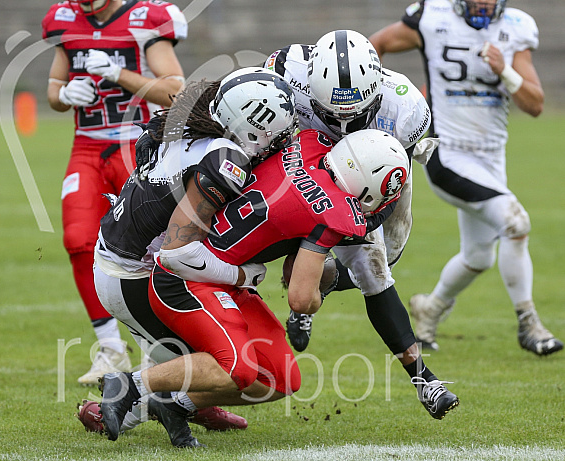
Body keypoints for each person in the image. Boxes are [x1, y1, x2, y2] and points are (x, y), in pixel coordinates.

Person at [89, 67, 298, 446]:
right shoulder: (226, 159)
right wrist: (242, 276)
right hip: (136, 274)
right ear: (253, 127)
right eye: (277, 134)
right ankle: (124, 398)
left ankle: (177, 406)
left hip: (128, 257)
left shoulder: (192, 125)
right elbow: (178, 253)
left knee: (267, 374)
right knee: (231, 367)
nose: (281, 143)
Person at [369, 0, 563, 356]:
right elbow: (373, 47)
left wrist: (505, 71)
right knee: (515, 223)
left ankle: (429, 309)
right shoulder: (431, 16)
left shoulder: (516, 26)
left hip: (491, 157)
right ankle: (529, 322)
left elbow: (535, 104)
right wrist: (386, 102)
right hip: (446, 152)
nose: (483, 3)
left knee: (479, 256)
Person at [264, 30, 438, 360]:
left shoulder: (405, 107)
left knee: (383, 258)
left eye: (354, 116)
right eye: (333, 115)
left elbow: (392, 187)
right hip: (307, 160)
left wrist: (362, 220)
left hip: (373, 170)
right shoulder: (286, 70)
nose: (344, 128)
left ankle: (323, 282)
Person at [41, 0, 188, 384]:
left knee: (150, 247)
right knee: (77, 239)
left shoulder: (144, 19)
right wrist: (64, 95)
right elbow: (53, 90)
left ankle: (153, 348)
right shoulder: (64, 19)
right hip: (86, 147)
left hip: (135, 147)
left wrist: (120, 74)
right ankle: (110, 348)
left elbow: (176, 91)